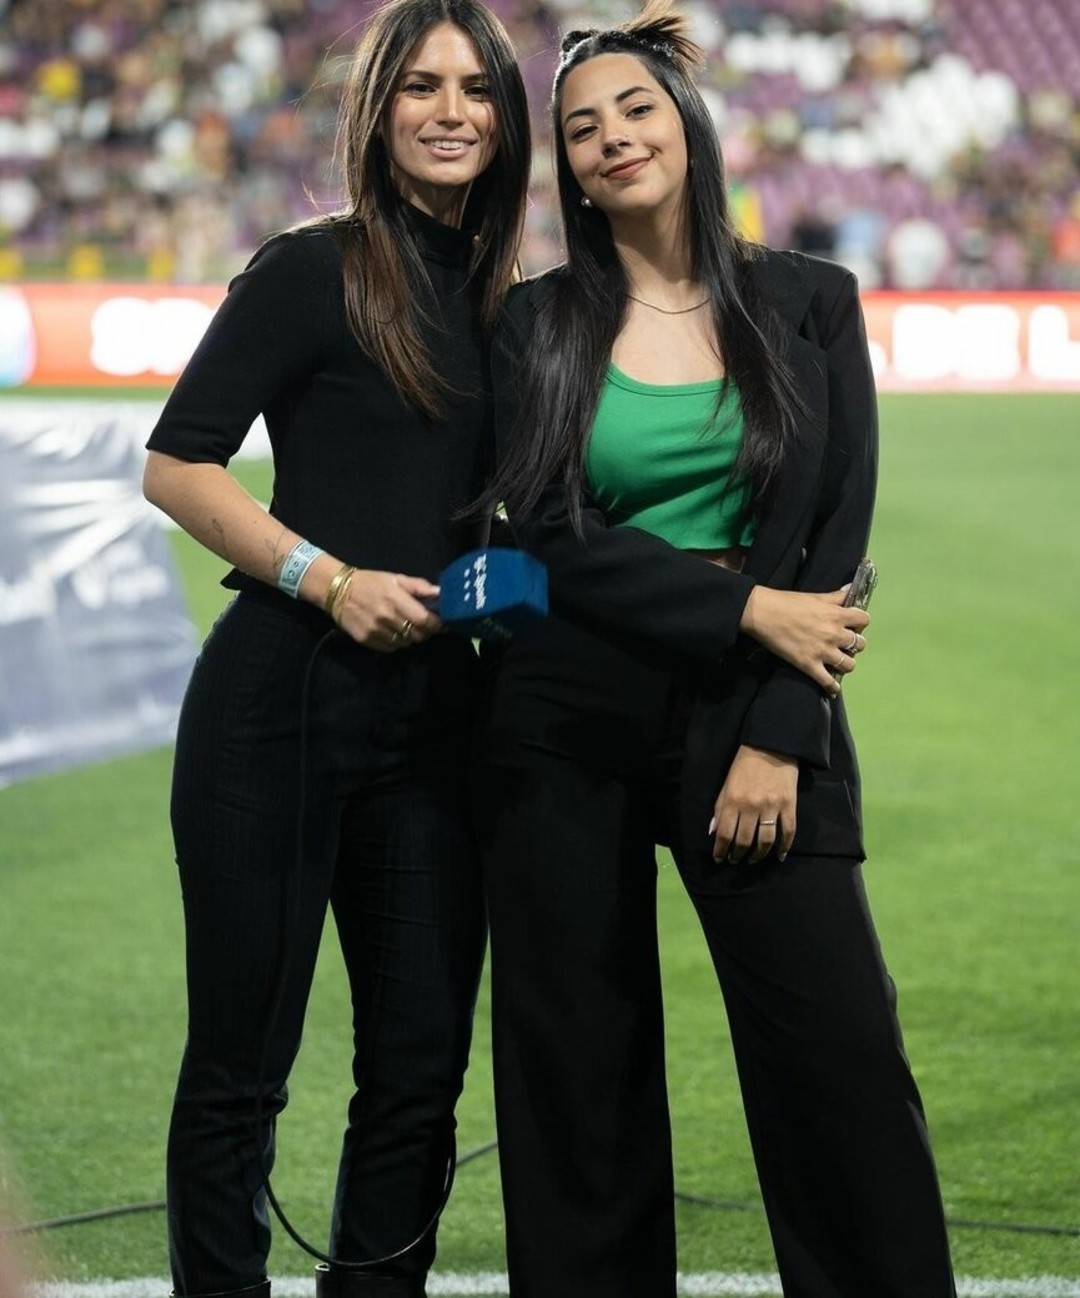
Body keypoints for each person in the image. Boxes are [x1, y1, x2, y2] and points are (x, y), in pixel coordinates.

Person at [476, 4, 957, 1295]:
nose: (613, 138)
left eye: (636, 109)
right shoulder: (535, 323)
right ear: (571, 172)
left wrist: (778, 734)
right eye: (583, 129)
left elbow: (835, 532)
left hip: (760, 706)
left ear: (688, 124)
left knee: (839, 1059)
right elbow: (550, 536)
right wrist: (744, 609)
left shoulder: (812, 302)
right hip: (565, 707)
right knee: (577, 1068)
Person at [141, 3, 529, 1296]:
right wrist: (329, 578)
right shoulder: (313, 268)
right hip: (279, 709)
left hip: (439, 728)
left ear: (506, 116)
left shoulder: (512, 305)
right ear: (376, 109)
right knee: (240, 1070)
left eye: (476, 87)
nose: (451, 110)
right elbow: (176, 463)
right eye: (420, 85)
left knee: (419, 1073)